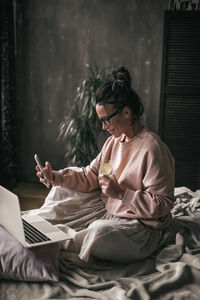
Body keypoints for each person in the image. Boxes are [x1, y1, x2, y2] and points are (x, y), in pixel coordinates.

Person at [36, 66, 175, 263]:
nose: (103, 127)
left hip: (140, 225)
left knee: (99, 233)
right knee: (59, 191)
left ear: (126, 112)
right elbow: (90, 176)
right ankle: (38, 226)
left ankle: (60, 239)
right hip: (108, 209)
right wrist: (55, 177)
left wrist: (121, 194)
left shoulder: (152, 148)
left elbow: (163, 204)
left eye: (106, 120)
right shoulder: (113, 142)